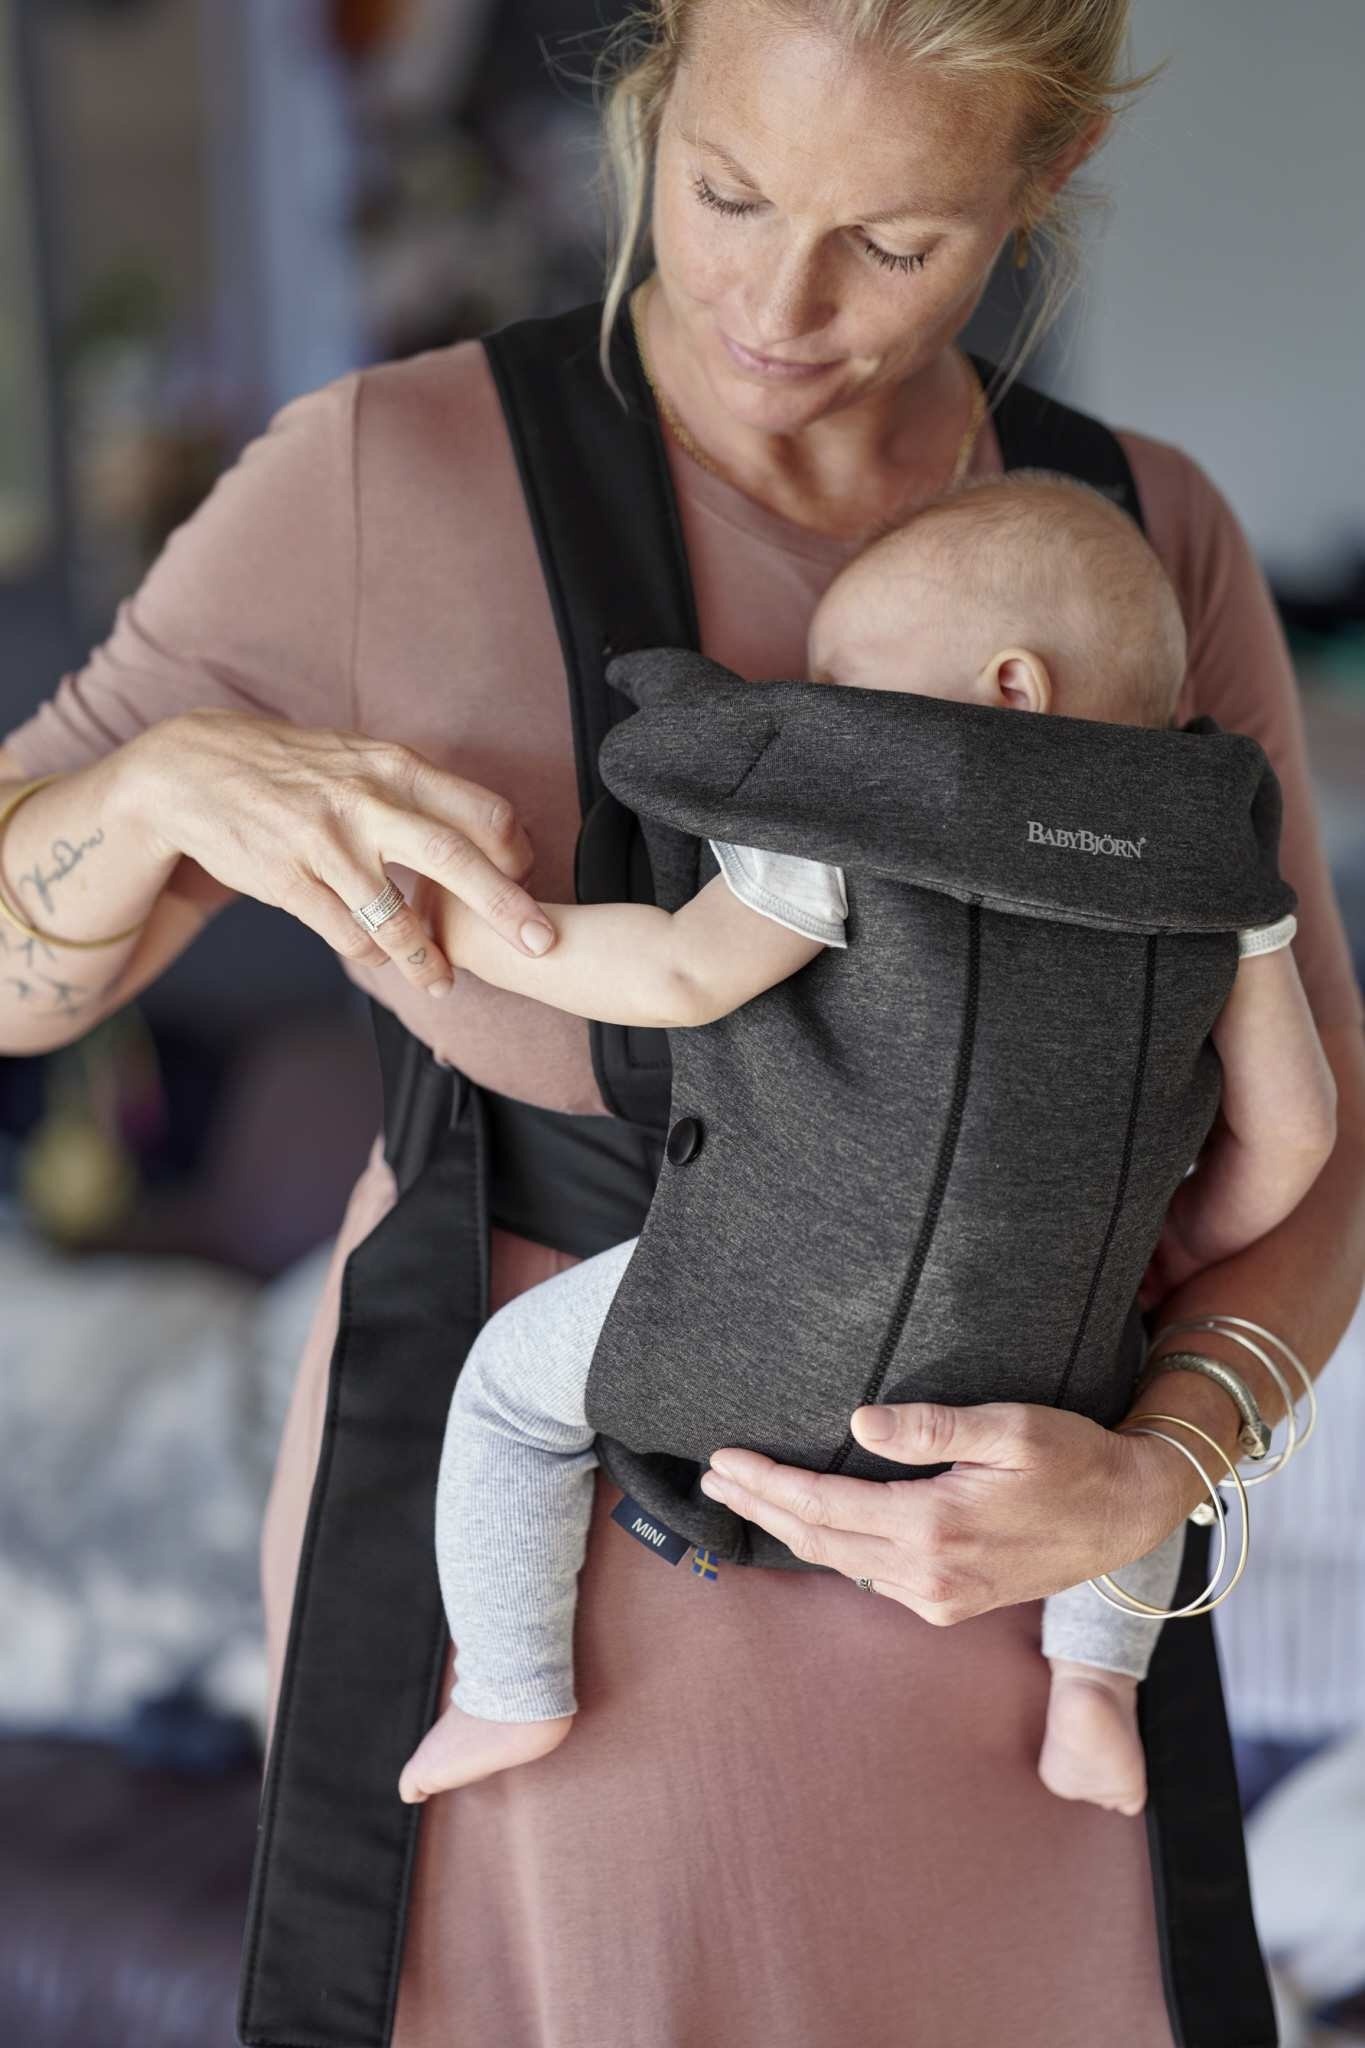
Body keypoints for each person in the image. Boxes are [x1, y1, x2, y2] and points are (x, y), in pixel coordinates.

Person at [0, 1, 1361, 2039]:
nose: (778, 309)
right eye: (723, 193)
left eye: (891, 242)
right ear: (648, 94)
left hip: (1013, 1611)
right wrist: (147, 796)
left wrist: (1152, 1471)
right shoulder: (378, 476)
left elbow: (1314, 1142)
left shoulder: (1141, 535)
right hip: (550, 1619)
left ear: (1041, 178)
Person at [395, 468, 1335, 1822]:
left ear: (1008, 688)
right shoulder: (1216, 870)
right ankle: (1092, 1690)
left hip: (765, 1314)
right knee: (1124, 1449)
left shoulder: (864, 809)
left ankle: (508, 1685)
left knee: (507, 1392)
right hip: (1050, 1358)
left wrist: (462, 925)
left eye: (844, 683)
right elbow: (1296, 1129)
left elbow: (674, 975)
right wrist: (1178, 1243)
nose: (824, 707)